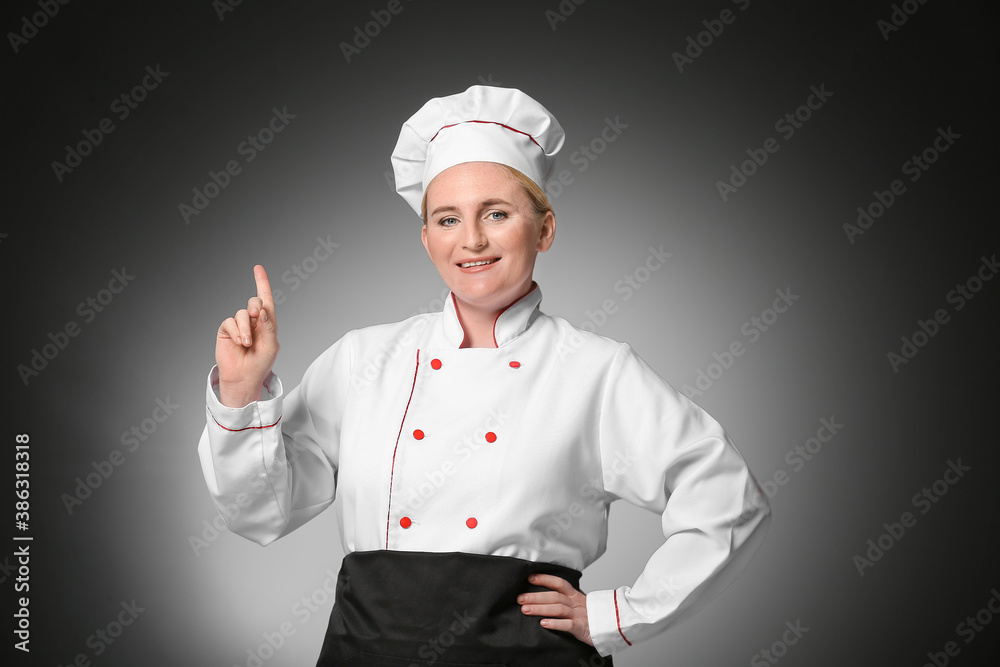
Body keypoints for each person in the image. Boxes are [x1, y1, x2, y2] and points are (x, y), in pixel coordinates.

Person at [197, 85, 771, 666]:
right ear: (427, 240)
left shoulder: (596, 371)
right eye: (448, 219)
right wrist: (243, 392)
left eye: (496, 213)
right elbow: (260, 514)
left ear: (544, 229)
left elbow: (728, 499)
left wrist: (615, 616)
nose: (471, 240)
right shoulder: (362, 359)